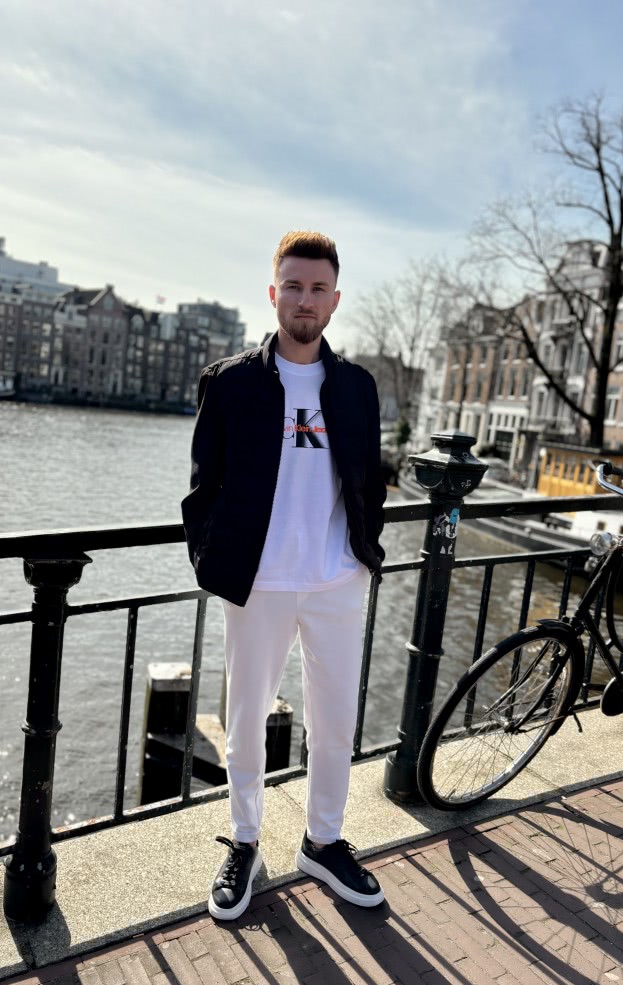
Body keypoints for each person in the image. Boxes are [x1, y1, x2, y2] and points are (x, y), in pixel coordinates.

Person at [181, 231, 386, 920]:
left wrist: (362, 553)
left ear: (334, 299)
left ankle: (322, 841)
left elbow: (371, 482)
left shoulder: (356, 388)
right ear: (273, 293)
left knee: (335, 723)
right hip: (259, 583)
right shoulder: (230, 382)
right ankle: (244, 841)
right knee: (246, 721)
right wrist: (213, 559)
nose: (305, 299)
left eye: (318, 288)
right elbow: (203, 487)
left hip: (337, 581)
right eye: (293, 286)